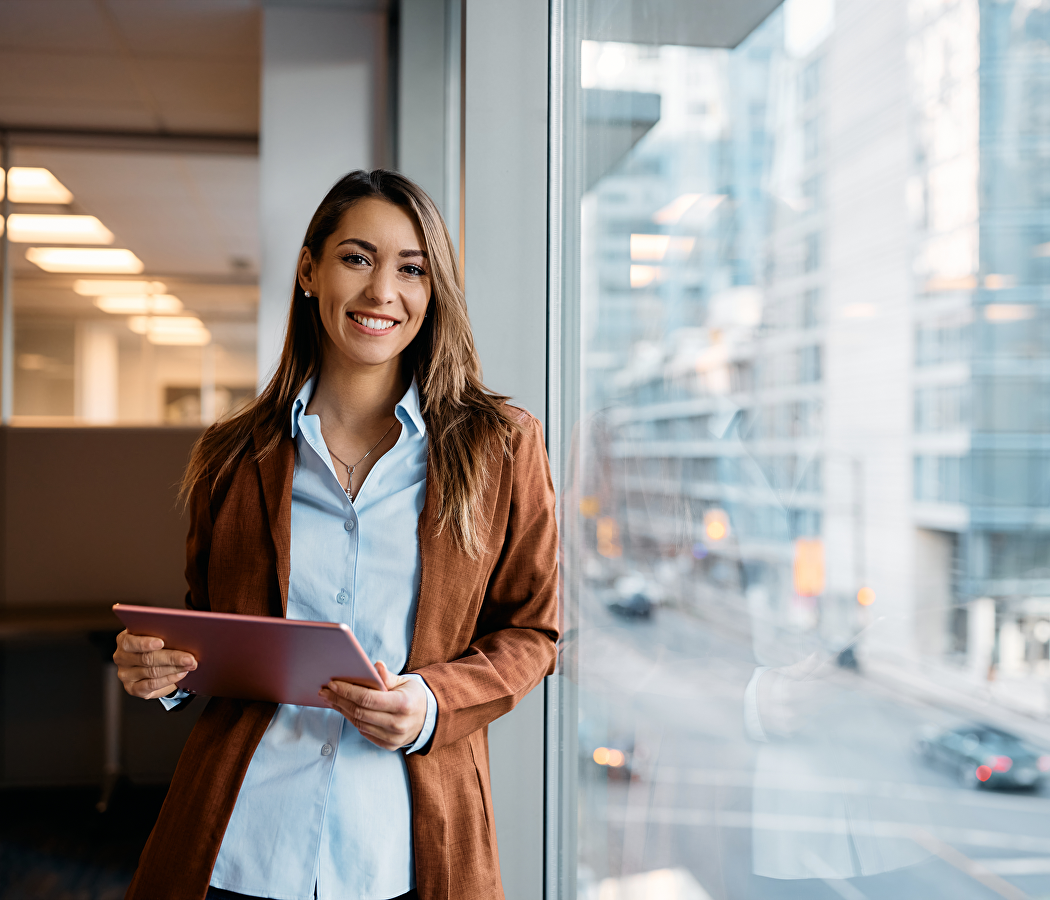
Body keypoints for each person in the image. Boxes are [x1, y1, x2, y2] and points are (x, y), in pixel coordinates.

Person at [112, 169, 559, 900]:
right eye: (357, 258)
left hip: (404, 851)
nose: (383, 291)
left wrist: (431, 703)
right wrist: (161, 672)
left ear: (432, 288)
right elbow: (211, 627)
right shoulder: (233, 456)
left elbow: (534, 631)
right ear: (309, 271)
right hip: (241, 846)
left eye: (411, 268)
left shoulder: (500, 446)